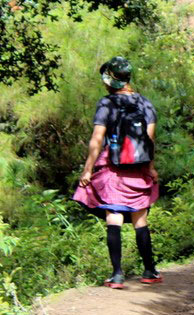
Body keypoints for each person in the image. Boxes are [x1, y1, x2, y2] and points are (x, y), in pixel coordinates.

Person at [73, 56, 161, 289]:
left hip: (113, 169)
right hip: (139, 167)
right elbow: (150, 140)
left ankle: (117, 275)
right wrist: (150, 167)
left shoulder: (107, 104)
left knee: (114, 216)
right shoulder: (146, 104)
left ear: (111, 80)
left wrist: (88, 170)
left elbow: (97, 139)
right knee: (140, 219)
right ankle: (150, 271)